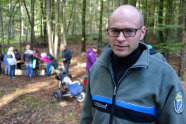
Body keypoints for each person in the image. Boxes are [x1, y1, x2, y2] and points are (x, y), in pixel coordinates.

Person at [80, 5, 186, 124]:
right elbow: (87, 118)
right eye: (115, 30)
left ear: (142, 33)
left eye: (129, 31)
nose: (120, 38)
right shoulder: (97, 69)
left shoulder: (164, 75)